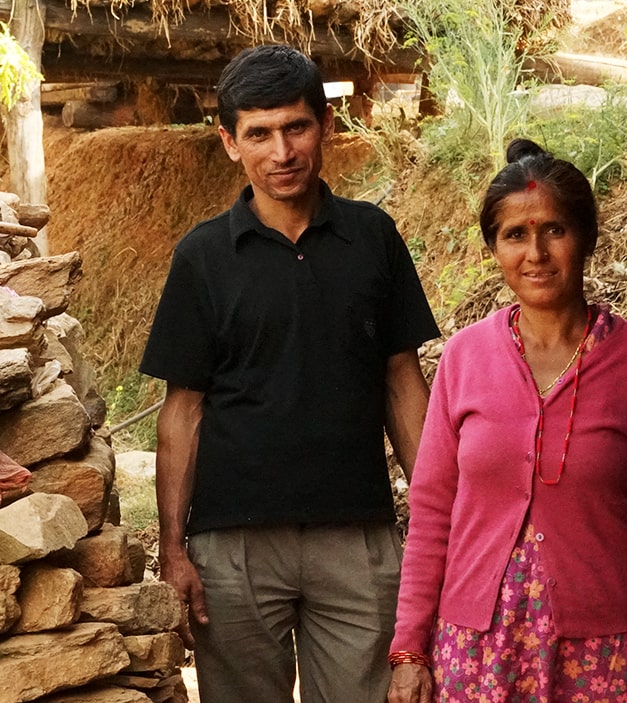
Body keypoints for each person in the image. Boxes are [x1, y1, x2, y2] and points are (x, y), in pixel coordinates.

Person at [140, 44, 440, 703]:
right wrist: (173, 548)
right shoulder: (203, 257)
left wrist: (439, 520)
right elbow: (182, 410)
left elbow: (403, 382)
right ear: (229, 142)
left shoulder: (373, 239)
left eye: (296, 126)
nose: (282, 152)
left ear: (325, 126)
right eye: (260, 133)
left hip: (357, 540)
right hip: (232, 547)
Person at [388, 139, 627, 703]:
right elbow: (432, 514)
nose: (536, 252)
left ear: (587, 238)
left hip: (607, 653)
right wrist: (409, 650)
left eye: (555, 229)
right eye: (515, 235)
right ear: (493, 248)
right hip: (477, 650)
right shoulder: (464, 359)